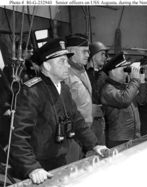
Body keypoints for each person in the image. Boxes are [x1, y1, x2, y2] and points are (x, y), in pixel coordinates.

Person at [10, 38, 108, 184]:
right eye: (62, 61)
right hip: (39, 165)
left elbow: (76, 120)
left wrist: (95, 144)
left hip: (60, 158)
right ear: (47, 66)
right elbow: (18, 135)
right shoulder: (32, 92)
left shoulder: (64, 89)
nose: (68, 65)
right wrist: (32, 168)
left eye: (67, 61)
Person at [101, 53, 142, 148]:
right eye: (124, 70)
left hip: (133, 136)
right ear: (113, 71)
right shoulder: (107, 90)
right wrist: (135, 80)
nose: (126, 73)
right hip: (119, 140)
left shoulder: (126, 87)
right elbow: (124, 100)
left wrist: (143, 82)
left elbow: (143, 99)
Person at [65, 34, 93, 127]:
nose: (88, 55)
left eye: (88, 52)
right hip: (76, 128)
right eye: (84, 51)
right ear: (72, 52)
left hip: (86, 126)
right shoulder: (66, 74)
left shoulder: (81, 69)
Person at [87, 41, 108, 145]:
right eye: (102, 54)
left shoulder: (103, 75)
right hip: (87, 121)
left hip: (100, 120)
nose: (105, 57)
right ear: (93, 55)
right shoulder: (84, 74)